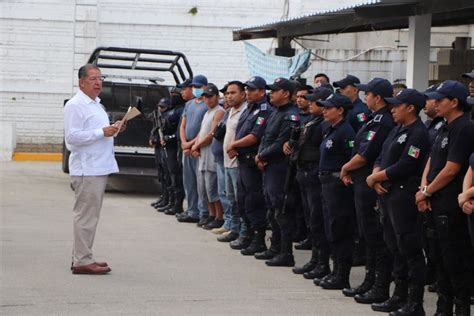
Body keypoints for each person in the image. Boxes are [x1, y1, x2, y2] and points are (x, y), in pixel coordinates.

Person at [367, 89, 429, 316]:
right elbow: (381, 157)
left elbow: (407, 164)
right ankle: (399, 296)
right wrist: (375, 176)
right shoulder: (397, 130)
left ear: (411, 108)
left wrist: (377, 177)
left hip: (404, 196)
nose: (392, 109)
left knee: (409, 248)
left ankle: (415, 303)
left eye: (397, 105)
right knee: (394, 246)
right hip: (388, 195)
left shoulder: (418, 133)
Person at [415, 80, 474, 315]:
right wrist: (424, 188)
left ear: (454, 102)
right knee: (438, 257)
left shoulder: (464, 127)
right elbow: (432, 160)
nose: (434, 104)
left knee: (454, 260)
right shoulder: (443, 126)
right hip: (434, 201)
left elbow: (452, 168)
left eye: (440, 100)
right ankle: (443, 307)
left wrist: (427, 191)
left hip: (450, 204)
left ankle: (458, 308)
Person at [64, 64, 123, 274]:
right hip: (87, 169)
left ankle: (82, 256)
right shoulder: (75, 105)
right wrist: (101, 132)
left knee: (90, 216)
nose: (98, 82)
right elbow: (71, 138)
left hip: (98, 166)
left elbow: (97, 132)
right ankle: (81, 261)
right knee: (86, 216)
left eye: (100, 78)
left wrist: (113, 128)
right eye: (93, 79)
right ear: (81, 82)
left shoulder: (96, 104)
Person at [339, 78, 394, 304]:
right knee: (367, 235)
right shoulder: (373, 119)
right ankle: (369, 281)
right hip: (362, 181)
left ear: (377, 98)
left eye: (367, 94)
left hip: (370, 183)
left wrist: (345, 167)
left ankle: (379, 285)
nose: (365, 97)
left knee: (374, 236)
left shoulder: (383, 121)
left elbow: (366, 153)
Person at [286, 88, 332, 278]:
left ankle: (322, 262)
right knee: (310, 219)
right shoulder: (311, 120)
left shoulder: (325, 124)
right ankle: (315, 259)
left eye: (314, 101)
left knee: (318, 219)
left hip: (314, 174)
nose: (309, 103)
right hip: (303, 172)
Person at [256, 77, 299, 267]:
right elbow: (266, 138)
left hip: (280, 168)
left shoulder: (291, 115)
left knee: (281, 210)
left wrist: (262, 156)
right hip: (269, 166)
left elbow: (281, 142)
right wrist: (261, 155)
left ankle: (285, 252)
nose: (271, 93)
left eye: (275, 90)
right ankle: (275, 247)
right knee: (272, 210)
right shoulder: (275, 112)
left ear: (286, 94)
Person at [225, 76, 272, 251]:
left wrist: (234, 145)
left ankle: (258, 240)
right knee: (242, 200)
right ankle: (248, 235)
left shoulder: (264, 110)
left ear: (261, 91)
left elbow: (255, 136)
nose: (248, 92)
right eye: (247, 89)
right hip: (242, 162)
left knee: (254, 201)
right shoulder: (249, 109)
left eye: (252, 89)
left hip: (253, 163)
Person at [316, 93, 356, 289]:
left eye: (328, 107)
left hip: (338, 187)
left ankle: (342, 274)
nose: (324, 110)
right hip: (326, 185)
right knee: (330, 228)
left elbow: (351, 158)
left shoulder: (346, 132)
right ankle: (335, 270)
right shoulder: (329, 129)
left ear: (340, 110)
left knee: (340, 228)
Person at [218, 81, 249, 246]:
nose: (229, 96)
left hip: (238, 162)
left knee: (240, 199)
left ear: (243, 94)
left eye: (233, 93)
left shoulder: (246, 111)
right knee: (230, 198)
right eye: (227, 93)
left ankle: (244, 233)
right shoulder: (229, 111)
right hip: (227, 162)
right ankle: (234, 229)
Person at [191, 83, 225, 229]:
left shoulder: (219, 111)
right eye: (205, 96)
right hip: (202, 155)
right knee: (204, 188)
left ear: (217, 97)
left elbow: (212, 134)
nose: (208, 99)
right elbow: (202, 132)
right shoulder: (207, 112)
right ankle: (211, 215)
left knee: (213, 188)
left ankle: (219, 216)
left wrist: (197, 145)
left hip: (211, 154)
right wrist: (195, 145)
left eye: (211, 96)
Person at [177, 75, 209, 223]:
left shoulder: (207, 105)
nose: (197, 89)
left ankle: (201, 212)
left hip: (198, 148)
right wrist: (184, 142)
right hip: (187, 147)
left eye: (199, 87)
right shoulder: (189, 104)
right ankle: (191, 210)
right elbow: (183, 125)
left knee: (200, 182)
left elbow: (205, 129)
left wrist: (191, 145)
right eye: (194, 87)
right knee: (188, 181)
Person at [159, 92, 186, 216]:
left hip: (176, 147)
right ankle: (170, 201)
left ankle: (177, 204)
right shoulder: (173, 110)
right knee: (168, 175)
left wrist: (169, 138)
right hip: (168, 146)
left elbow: (180, 129)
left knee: (175, 176)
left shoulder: (181, 110)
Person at [150, 98, 172, 212]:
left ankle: (169, 200)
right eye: (159, 106)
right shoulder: (158, 116)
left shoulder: (169, 116)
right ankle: (164, 197)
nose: (160, 109)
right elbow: (155, 129)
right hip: (159, 147)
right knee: (162, 174)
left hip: (165, 148)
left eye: (163, 107)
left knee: (168, 175)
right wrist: (152, 138)